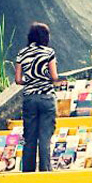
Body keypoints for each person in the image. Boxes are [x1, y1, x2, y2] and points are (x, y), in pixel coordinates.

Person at [14, 21, 58, 172]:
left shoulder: (22, 53)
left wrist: (30, 80)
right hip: (46, 97)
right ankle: (45, 171)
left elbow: (18, 80)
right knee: (45, 137)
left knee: (29, 137)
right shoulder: (48, 52)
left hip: (30, 99)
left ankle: (28, 172)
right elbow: (54, 76)